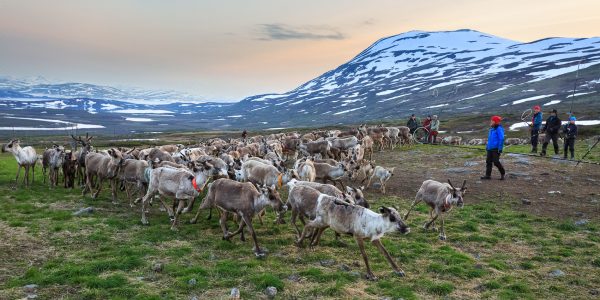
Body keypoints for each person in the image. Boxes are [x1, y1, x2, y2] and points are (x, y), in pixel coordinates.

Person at [481, 115, 506, 180]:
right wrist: (487, 146)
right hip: (490, 148)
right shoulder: (492, 129)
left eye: (492, 121)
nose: (491, 122)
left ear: (495, 122)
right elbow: (490, 139)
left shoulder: (499, 129)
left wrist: (500, 149)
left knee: (496, 162)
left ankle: (503, 173)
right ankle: (488, 175)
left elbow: (501, 139)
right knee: (488, 161)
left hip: (496, 149)